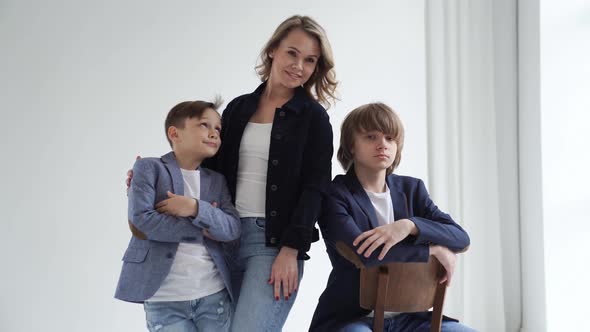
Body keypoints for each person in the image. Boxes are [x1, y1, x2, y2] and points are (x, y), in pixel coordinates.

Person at [126, 15, 337, 331]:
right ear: (273, 51)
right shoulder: (238, 109)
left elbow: (316, 187)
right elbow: (205, 165)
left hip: (272, 245)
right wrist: (154, 179)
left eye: (310, 60)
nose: (299, 66)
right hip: (221, 237)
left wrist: (291, 250)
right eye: (292, 53)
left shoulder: (314, 118)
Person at [309, 103, 475, 332]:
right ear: (351, 146)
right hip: (352, 318)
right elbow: (364, 254)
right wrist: (430, 252)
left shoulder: (412, 189)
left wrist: (410, 226)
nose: (382, 145)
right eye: (371, 137)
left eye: (390, 138)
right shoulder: (335, 194)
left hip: (411, 318)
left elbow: (460, 238)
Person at [115, 99, 241, 332]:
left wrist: (194, 208)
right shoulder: (149, 169)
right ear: (175, 133)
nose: (214, 133)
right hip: (165, 299)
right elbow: (142, 221)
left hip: (214, 295)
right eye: (205, 125)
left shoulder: (217, 180)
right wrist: (205, 226)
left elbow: (232, 229)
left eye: (218, 129)